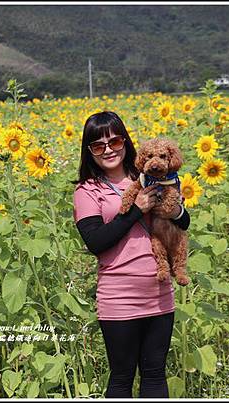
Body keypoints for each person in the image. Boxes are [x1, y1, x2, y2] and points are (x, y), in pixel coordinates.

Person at [72, 111, 190, 398]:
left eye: (115, 140)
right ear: (89, 152)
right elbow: (96, 242)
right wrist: (136, 209)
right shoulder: (87, 190)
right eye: (99, 145)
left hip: (160, 293)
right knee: (122, 377)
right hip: (119, 297)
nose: (109, 149)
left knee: (154, 374)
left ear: (125, 141)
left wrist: (175, 209)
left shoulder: (150, 176)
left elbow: (183, 222)